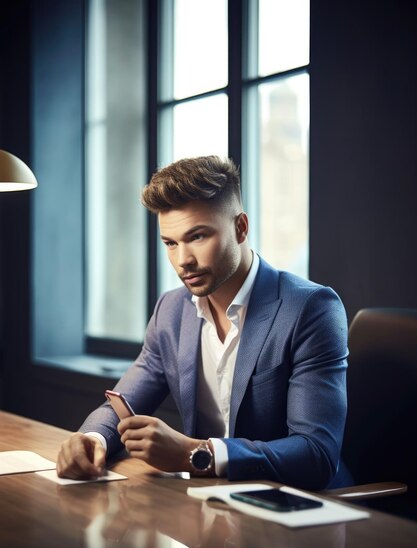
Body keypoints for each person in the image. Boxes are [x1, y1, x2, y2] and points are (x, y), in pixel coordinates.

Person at [57, 155, 350, 489]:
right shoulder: (170, 310)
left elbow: (316, 454)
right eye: (170, 243)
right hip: (211, 507)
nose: (183, 261)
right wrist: (93, 439)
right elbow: (125, 402)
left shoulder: (310, 309)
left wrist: (197, 453)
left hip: (306, 511)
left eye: (197, 237)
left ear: (241, 227)